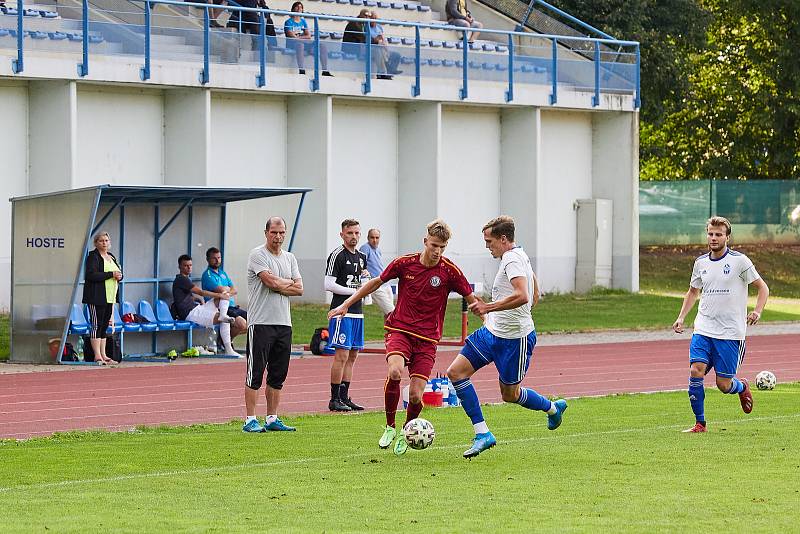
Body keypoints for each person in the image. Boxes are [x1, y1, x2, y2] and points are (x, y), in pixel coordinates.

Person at [329, 219, 478, 455]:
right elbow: (376, 282)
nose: (437, 251)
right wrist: (346, 304)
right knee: (395, 371)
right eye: (434, 245)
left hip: (428, 340)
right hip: (400, 330)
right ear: (425, 241)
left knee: (417, 395)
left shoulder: (450, 271)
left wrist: (486, 313)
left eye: (442, 247)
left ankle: (406, 430)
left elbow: (472, 300)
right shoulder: (405, 264)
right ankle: (389, 426)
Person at [446, 216, 567, 459]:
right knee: (455, 373)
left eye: (489, 241)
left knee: (509, 395)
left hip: (514, 340)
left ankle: (553, 408)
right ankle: (483, 434)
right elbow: (535, 293)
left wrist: (488, 308)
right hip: (491, 333)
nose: (487, 246)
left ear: (503, 239)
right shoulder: (519, 254)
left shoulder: (512, 259)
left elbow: (523, 295)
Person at [672, 216, 769, 433]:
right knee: (695, 371)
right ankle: (700, 423)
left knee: (723, 385)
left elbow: (763, 288)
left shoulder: (740, 261)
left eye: (718, 234)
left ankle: (741, 386)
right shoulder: (701, 263)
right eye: (710, 234)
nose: (713, 238)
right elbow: (693, 292)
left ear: (727, 237)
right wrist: (681, 317)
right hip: (704, 328)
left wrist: (757, 311)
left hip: (730, 333)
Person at [242, 216, 303, 433]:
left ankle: (272, 418)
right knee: (255, 373)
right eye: (274, 232)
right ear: (266, 232)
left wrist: (280, 284)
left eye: (281, 232)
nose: (278, 236)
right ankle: (250, 419)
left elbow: (300, 288)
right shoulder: (258, 255)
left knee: (278, 374)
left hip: (283, 323)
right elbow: (271, 282)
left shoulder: (290, 258)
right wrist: (284, 284)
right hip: (261, 323)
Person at [325, 219, 368, 412]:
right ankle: (334, 398)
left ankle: (344, 396)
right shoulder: (337, 255)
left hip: (358, 313)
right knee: (341, 355)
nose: (354, 236)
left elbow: (364, 281)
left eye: (357, 233)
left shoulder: (362, 256)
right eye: (350, 233)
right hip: (341, 311)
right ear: (342, 234)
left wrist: (364, 291)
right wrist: (354, 293)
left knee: (353, 355)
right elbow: (329, 284)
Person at [171, 254, 238, 356]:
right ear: (179, 267)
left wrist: (198, 299)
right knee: (224, 312)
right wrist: (217, 294)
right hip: (190, 314)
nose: (189, 268)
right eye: (186, 266)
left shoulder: (185, 279)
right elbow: (201, 292)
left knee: (224, 298)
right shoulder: (181, 279)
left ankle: (222, 315)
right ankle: (228, 350)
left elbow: (188, 297)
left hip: (197, 308)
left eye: (190, 265)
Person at [82, 231, 123, 366]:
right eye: (101, 241)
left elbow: (118, 273)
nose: (104, 243)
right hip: (96, 297)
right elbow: (91, 275)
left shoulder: (111, 257)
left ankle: (104, 354)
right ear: (96, 243)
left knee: (104, 326)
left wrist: (120, 276)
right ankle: (97, 355)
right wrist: (111, 274)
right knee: (96, 324)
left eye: (106, 240)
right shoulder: (93, 257)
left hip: (110, 296)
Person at [202, 247, 248, 346]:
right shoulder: (207, 275)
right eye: (214, 258)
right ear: (208, 259)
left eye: (219, 257)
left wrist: (227, 292)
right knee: (242, 324)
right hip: (220, 309)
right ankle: (225, 341)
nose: (217, 260)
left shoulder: (223, 273)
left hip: (232, 307)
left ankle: (225, 338)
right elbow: (221, 290)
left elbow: (235, 290)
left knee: (254, 322)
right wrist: (227, 289)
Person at [284, 1, 333, 77]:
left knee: (322, 46)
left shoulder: (303, 21)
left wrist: (299, 37)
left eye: (300, 7)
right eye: (297, 7)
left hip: (304, 42)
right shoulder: (288, 22)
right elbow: (292, 37)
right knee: (300, 45)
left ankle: (325, 70)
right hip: (293, 44)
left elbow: (308, 35)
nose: (299, 9)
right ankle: (301, 69)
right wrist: (303, 38)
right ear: (293, 9)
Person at [359, 228, 395, 319]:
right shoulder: (365, 248)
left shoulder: (378, 250)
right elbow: (361, 265)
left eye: (377, 238)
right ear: (368, 238)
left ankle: (389, 333)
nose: (375, 240)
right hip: (376, 286)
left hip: (386, 284)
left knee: (388, 315)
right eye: (372, 237)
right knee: (392, 312)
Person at [367, 10, 402, 79]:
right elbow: (370, 39)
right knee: (379, 51)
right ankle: (383, 73)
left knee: (396, 55)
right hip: (371, 48)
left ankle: (390, 71)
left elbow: (383, 39)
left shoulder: (379, 27)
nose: (373, 20)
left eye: (375, 18)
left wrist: (387, 49)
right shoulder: (367, 27)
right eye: (372, 18)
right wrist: (378, 41)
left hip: (382, 47)